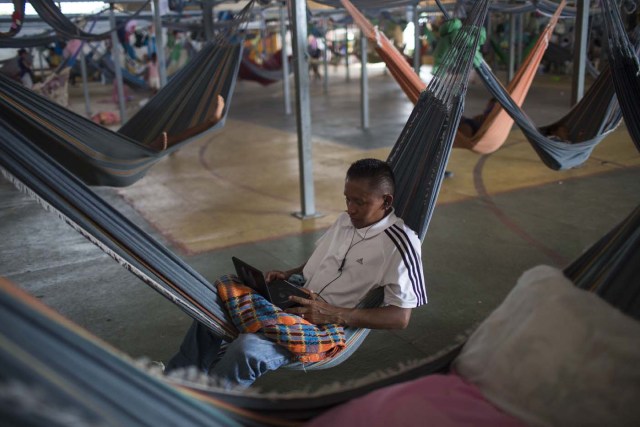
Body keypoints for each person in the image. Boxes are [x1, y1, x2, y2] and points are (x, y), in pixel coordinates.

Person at [166, 158, 427, 388]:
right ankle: (176, 381)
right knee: (213, 301)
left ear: (386, 201)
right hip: (296, 297)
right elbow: (323, 258)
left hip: (326, 324)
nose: (350, 208)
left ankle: (201, 408)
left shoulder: (400, 244)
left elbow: (400, 317)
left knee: (248, 349)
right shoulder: (345, 221)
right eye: (347, 198)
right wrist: (287, 274)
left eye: (359, 202)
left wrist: (332, 313)